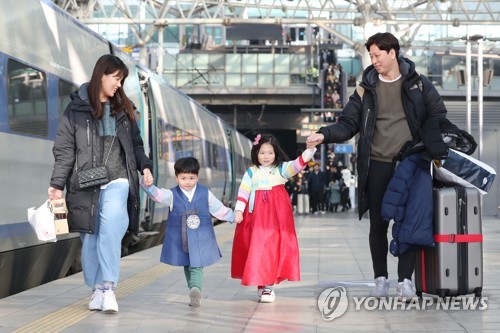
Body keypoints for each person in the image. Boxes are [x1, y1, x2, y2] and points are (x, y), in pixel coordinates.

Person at [306, 32, 448, 301]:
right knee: (378, 225)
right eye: (371, 55)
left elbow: (438, 114)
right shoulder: (366, 88)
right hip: (377, 164)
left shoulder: (418, 84)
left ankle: (405, 281)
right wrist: (324, 134)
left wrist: (428, 144)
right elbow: (348, 124)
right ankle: (380, 278)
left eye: (377, 55)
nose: (373, 60)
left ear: (392, 53)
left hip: (411, 164)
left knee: (410, 222)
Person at [48, 54, 154, 313]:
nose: (119, 84)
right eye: (116, 78)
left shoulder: (123, 109)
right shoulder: (75, 110)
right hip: (85, 184)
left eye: (122, 80)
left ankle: (108, 288)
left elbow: (136, 144)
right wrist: (57, 184)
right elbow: (64, 150)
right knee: (91, 239)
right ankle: (96, 288)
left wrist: (145, 166)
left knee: (109, 229)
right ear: (101, 75)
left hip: (118, 180)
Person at [231, 134, 316, 302]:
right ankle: (262, 285)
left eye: (270, 153)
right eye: (262, 153)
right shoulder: (251, 172)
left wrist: (310, 150)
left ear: (276, 153)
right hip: (254, 217)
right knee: (257, 248)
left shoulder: (281, 170)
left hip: (276, 218)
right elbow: (243, 192)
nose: (266, 156)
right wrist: (239, 210)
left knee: (272, 248)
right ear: (256, 153)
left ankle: (268, 286)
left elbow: (297, 165)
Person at [140, 157, 234, 307]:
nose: (188, 181)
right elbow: (158, 195)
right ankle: (193, 289)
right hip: (181, 238)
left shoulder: (205, 193)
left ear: (197, 177)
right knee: (187, 264)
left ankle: (195, 288)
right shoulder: (172, 195)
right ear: (176, 178)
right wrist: (148, 186)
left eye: (192, 177)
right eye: (183, 178)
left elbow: (218, 208)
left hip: (201, 237)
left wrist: (233, 216)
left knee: (197, 264)